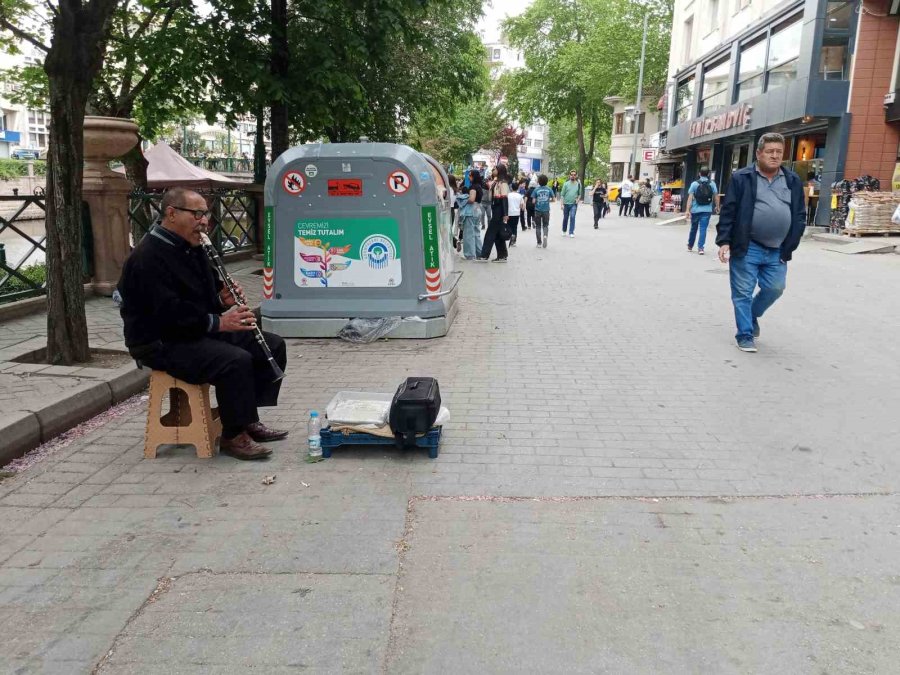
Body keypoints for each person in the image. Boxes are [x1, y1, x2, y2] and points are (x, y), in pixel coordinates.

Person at [117, 188, 288, 459]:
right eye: (197, 213)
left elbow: (202, 301)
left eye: (206, 213)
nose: (204, 220)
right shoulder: (147, 258)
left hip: (192, 330)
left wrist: (221, 301)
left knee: (272, 344)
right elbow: (168, 314)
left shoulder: (193, 246)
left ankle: (246, 418)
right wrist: (219, 322)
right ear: (171, 213)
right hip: (160, 341)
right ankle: (233, 436)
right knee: (235, 360)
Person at [716, 132, 806, 353]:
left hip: (778, 249)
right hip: (747, 246)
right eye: (770, 152)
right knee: (742, 293)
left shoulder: (792, 180)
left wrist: (793, 240)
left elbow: (799, 214)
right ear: (758, 153)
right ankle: (745, 334)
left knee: (775, 288)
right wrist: (724, 241)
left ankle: (753, 315)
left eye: (778, 152)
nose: (774, 156)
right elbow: (729, 211)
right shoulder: (742, 178)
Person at [479, 163, 510, 262]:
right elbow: (486, 186)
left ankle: (484, 255)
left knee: (490, 233)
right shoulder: (496, 181)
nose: (493, 171)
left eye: (495, 169)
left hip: (499, 209)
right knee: (497, 234)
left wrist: (505, 214)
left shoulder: (503, 183)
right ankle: (502, 255)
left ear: (499, 170)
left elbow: (504, 199)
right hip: (495, 208)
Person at [685, 167, 720, 254]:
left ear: (699, 174)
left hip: (695, 210)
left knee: (693, 228)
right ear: (708, 174)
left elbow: (690, 198)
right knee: (703, 229)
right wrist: (717, 206)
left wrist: (687, 210)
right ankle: (701, 248)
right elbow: (716, 196)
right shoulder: (712, 184)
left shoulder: (694, 184)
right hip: (707, 210)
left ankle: (690, 246)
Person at [458, 170, 483, 259]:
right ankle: (479, 253)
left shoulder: (473, 187)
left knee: (469, 234)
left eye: (470, 175)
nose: (469, 177)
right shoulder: (479, 186)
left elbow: (472, 199)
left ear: (473, 176)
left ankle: (470, 255)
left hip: (471, 211)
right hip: (478, 210)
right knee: (476, 233)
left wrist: (464, 200)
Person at [531, 173, 554, 248]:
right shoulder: (549, 189)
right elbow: (554, 199)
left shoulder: (536, 189)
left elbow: (533, 201)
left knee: (538, 226)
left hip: (538, 210)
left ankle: (539, 243)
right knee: (545, 225)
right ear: (547, 181)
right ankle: (545, 236)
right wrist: (547, 201)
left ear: (539, 181)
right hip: (546, 210)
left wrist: (538, 200)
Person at [559, 170, 582, 237]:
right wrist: (562, 204)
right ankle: (564, 230)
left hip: (573, 204)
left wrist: (577, 200)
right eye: (572, 174)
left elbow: (580, 194)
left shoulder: (578, 184)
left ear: (576, 176)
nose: (573, 176)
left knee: (572, 217)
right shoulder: (566, 184)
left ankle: (571, 232)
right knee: (565, 218)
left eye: (574, 175)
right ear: (569, 175)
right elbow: (562, 195)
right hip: (565, 204)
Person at [507, 180, 524, 246]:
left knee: (509, 226)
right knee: (515, 227)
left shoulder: (508, 195)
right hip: (516, 213)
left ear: (511, 188)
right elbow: (521, 205)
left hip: (509, 212)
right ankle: (514, 240)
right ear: (517, 188)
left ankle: (510, 236)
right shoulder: (519, 196)